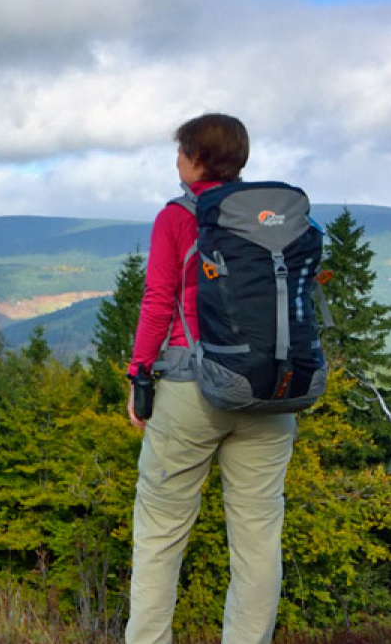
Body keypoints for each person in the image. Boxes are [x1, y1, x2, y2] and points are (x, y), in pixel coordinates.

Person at [124, 113, 296, 644]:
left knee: (160, 535)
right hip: (270, 392)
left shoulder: (177, 217)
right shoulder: (276, 219)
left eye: (180, 152)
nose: (175, 162)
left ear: (197, 158)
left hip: (191, 388)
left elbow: (157, 302)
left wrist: (138, 374)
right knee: (257, 541)